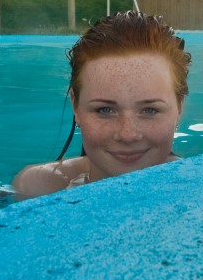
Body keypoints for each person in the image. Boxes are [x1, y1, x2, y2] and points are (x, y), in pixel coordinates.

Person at [12, 12, 191, 198]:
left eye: (150, 110)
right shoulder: (38, 188)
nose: (127, 135)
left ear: (179, 108)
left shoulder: (198, 187)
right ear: (76, 107)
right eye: (104, 110)